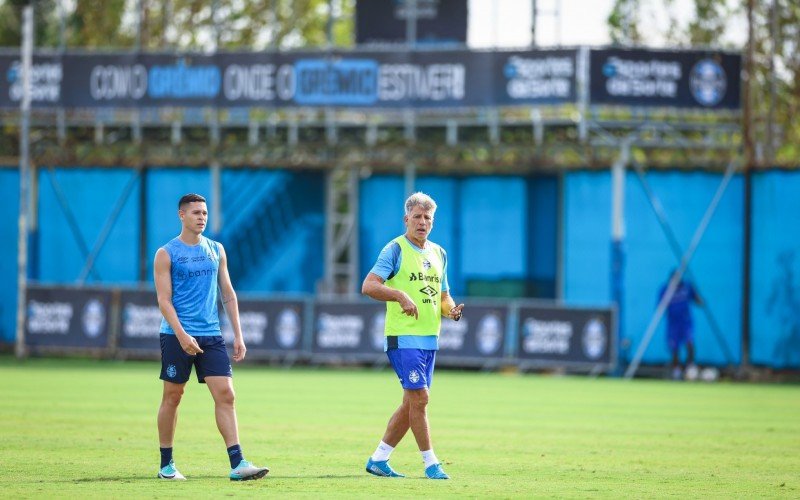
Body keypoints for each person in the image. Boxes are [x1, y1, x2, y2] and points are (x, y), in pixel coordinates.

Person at [154, 193, 269, 481]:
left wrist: (239, 336)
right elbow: (164, 301)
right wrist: (181, 335)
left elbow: (228, 294)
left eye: (204, 213)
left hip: (211, 334)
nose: (201, 217)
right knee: (173, 396)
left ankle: (238, 463)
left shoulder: (216, 249)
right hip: (176, 335)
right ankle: (166, 465)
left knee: (227, 395)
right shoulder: (166, 253)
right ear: (182, 215)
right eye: (195, 213)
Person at [361, 192, 464, 480]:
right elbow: (369, 285)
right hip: (402, 337)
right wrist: (399, 295)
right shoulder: (394, 249)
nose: (422, 222)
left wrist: (452, 310)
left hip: (429, 339)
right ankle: (431, 464)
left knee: (412, 403)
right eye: (416, 217)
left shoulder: (439, 253)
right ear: (406, 219)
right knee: (420, 399)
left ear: (433, 222)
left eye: (427, 218)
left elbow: (443, 296)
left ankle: (379, 459)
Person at [659, 270, 703, 381]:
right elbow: (659, 307)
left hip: (686, 321)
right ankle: (677, 370)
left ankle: (690, 366)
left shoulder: (687, 287)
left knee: (689, 342)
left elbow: (698, 300)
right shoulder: (666, 290)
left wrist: (699, 298)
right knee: (674, 348)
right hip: (673, 323)